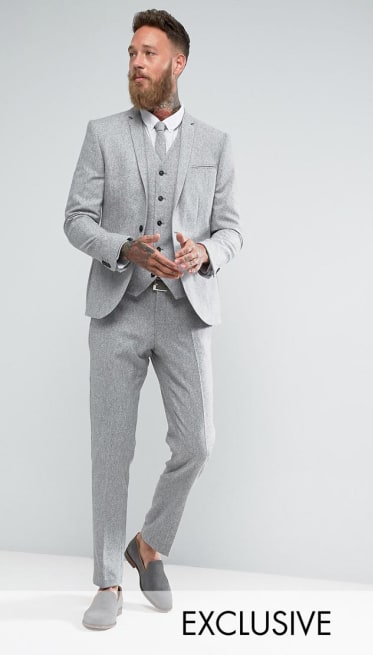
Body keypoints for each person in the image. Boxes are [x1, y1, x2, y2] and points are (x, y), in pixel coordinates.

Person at [64, 9, 242, 630]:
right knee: (111, 450)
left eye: (149, 53)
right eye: (132, 53)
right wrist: (123, 248)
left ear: (178, 63)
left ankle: (149, 545)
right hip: (118, 310)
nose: (136, 63)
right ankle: (108, 580)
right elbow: (76, 220)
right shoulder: (102, 134)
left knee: (197, 443)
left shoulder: (215, 144)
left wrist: (206, 254)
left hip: (185, 312)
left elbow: (232, 231)